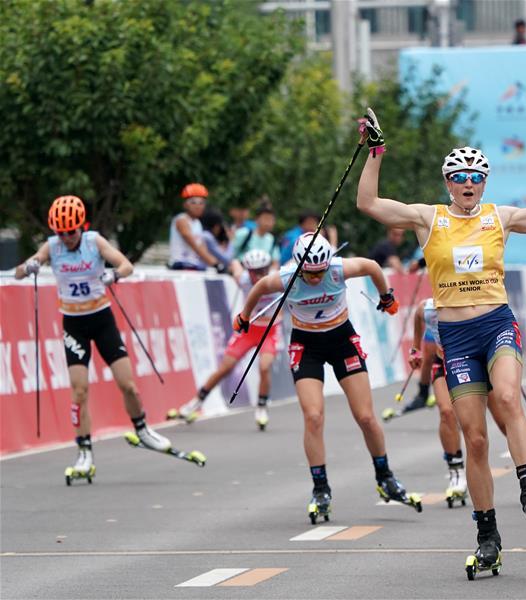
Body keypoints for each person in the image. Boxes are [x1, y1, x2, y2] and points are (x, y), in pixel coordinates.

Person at [356, 106, 526, 572]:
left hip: (496, 324)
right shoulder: (428, 218)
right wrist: (375, 152)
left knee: (508, 398)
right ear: (448, 183)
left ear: (485, 182)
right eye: (459, 177)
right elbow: (369, 204)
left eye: (476, 176)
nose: (468, 183)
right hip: (455, 335)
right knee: (474, 440)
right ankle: (487, 534)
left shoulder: (500, 217)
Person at [233, 232, 417, 523]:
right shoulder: (286, 277)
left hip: (341, 340)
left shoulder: (337, 269)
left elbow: (371, 266)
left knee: (365, 416)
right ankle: (320, 489)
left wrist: (386, 296)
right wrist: (244, 316)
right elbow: (260, 286)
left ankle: (385, 476)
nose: (317, 277)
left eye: (321, 271)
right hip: (307, 346)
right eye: (311, 273)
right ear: (300, 267)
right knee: (313, 417)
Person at [15, 196, 173, 481]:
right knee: (79, 392)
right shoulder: (52, 246)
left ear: (81, 227)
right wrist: (30, 266)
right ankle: (84, 451)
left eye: (71, 231)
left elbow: (126, 265)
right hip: (73, 324)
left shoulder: (94, 241)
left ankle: (142, 430)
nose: (67, 238)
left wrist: (115, 275)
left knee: (127, 385)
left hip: (102, 320)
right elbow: (18, 273)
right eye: (61, 232)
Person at [407, 297, 526, 508]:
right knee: (446, 412)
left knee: (504, 420)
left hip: (474, 360)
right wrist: (415, 350)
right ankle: (456, 475)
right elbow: (419, 326)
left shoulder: (471, 300)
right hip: (445, 362)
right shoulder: (426, 308)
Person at [170, 249, 282, 430]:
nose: (259, 275)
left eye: (263, 270)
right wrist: (231, 264)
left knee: (264, 366)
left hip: (270, 329)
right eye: (254, 272)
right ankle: (196, 402)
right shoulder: (243, 279)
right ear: (249, 271)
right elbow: (235, 265)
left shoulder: (277, 280)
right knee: (225, 368)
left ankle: (261, 407)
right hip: (249, 329)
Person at [169, 183, 226, 272]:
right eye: (193, 202)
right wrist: (216, 264)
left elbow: (202, 247)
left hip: (194, 265)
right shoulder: (181, 220)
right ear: (185, 205)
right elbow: (196, 246)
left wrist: (218, 264)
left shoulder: (197, 223)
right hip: (181, 265)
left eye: (201, 203)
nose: (197, 206)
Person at [230, 199, 279, 276]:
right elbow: (231, 255)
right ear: (256, 220)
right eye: (266, 219)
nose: (268, 222)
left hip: (263, 275)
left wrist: (270, 274)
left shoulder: (271, 239)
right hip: (242, 274)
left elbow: (275, 262)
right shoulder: (243, 234)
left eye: (271, 220)